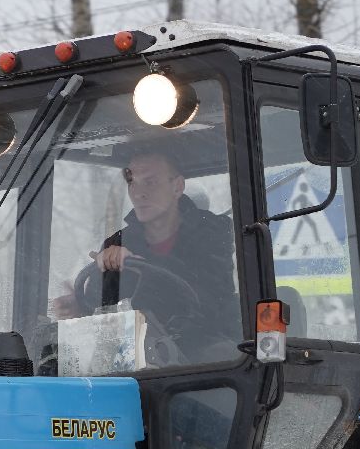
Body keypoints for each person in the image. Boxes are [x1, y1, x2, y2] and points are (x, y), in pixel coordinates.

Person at [51, 143, 238, 346]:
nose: (138, 193)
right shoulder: (118, 242)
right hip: (139, 354)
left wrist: (140, 264)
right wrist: (81, 308)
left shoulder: (213, 232)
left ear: (177, 187)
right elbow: (105, 308)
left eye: (150, 182)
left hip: (201, 349)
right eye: (132, 182)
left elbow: (211, 302)